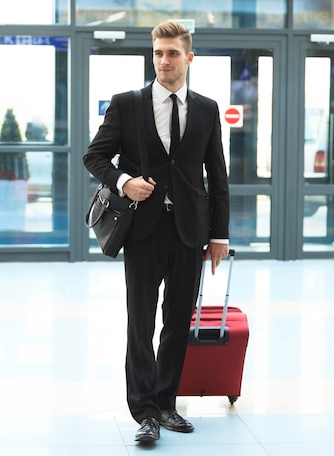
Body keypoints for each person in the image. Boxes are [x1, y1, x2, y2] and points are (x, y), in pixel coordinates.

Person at [83, 20, 230, 444]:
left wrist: (219, 234)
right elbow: (95, 157)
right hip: (143, 229)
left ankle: (166, 404)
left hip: (190, 230)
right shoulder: (127, 103)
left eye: (172, 53)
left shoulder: (206, 108)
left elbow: (216, 173)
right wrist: (124, 180)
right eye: (158, 53)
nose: (164, 61)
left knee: (177, 322)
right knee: (140, 322)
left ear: (188, 57)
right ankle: (144, 411)